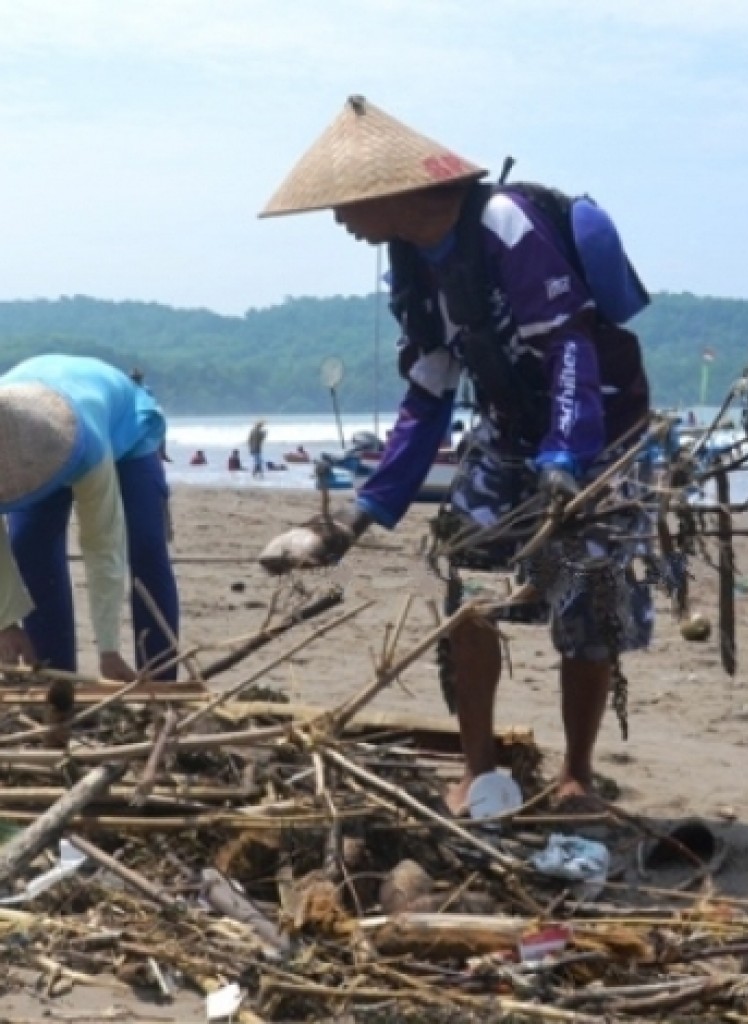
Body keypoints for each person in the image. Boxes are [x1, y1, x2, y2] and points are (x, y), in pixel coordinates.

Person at [259, 95, 653, 814]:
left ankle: (577, 776)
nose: (340, 221)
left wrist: (567, 457)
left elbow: (570, 347)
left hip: (601, 429)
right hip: (507, 430)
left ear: (391, 192)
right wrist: (356, 517)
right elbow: (429, 389)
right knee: (467, 593)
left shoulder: (505, 225)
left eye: (345, 205)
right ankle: (478, 767)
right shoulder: (410, 263)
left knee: (590, 603)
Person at [0, 355, 180, 680]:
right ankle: (56, 679)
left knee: (145, 545)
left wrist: (108, 650)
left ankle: (161, 679)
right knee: (28, 548)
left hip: (122, 433)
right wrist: (6, 622)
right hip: (24, 431)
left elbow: (103, 542)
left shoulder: (87, 445)